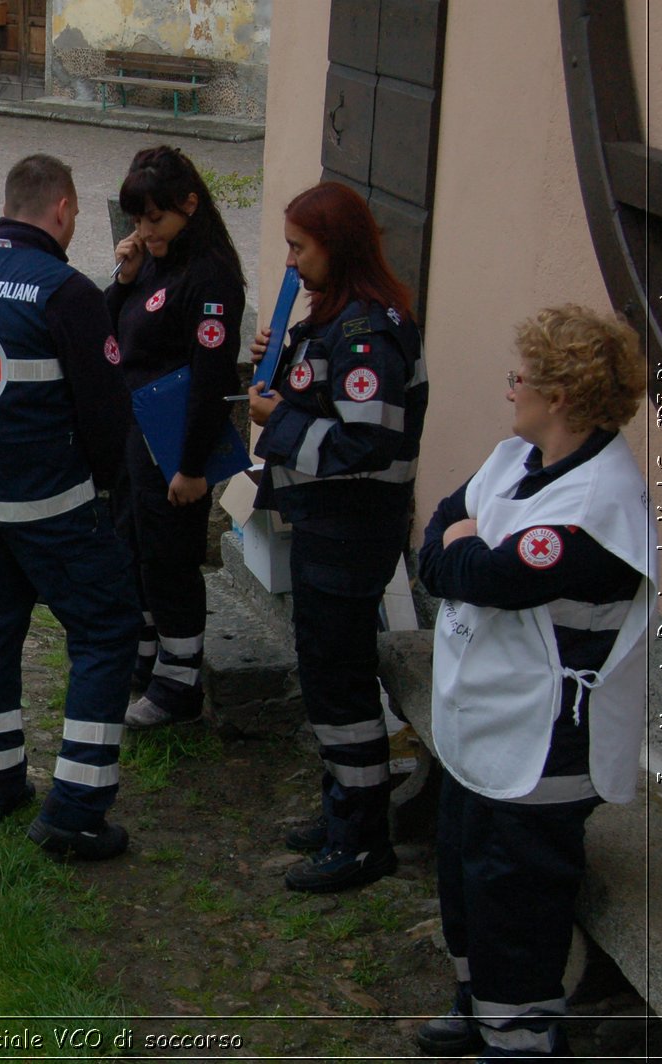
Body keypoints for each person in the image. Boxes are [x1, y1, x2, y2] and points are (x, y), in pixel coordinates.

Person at [414, 306, 653, 1060]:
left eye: (521, 378)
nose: (509, 389)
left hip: (541, 747)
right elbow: (439, 540)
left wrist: (469, 545)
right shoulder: (517, 458)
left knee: (513, 900)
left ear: (560, 396)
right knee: (463, 876)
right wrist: (466, 542)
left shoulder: (595, 510)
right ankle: (477, 1005)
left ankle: (518, 1041)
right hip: (481, 721)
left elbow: (480, 573)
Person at [0, 154, 141, 860]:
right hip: (55, 506)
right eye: (75, 214)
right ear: (59, 209)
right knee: (107, 633)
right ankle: (76, 810)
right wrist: (108, 488)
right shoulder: (66, 292)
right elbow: (106, 411)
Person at [246, 181, 427, 892]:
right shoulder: (340, 317)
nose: (290, 263)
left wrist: (276, 420)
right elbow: (323, 391)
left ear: (338, 247)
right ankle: (344, 809)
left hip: (350, 533)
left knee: (341, 684)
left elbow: (365, 445)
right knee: (326, 677)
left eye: (299, 247)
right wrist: (283, 366)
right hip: (330, 528)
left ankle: (361, 840)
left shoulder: (367, 333)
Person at [107, 145, 246, 727]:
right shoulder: (155, 261)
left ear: (190, 205)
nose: (144, 231)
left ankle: (179, 682)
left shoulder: (209, 274)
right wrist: (125, 278)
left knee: (170, 559)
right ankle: (145, 658)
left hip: (174, 441)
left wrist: (190, 467)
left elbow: (211, 379)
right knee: (133, 545)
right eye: (137, 219)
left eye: (155, 219)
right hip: (136, 432)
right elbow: (116, 332)